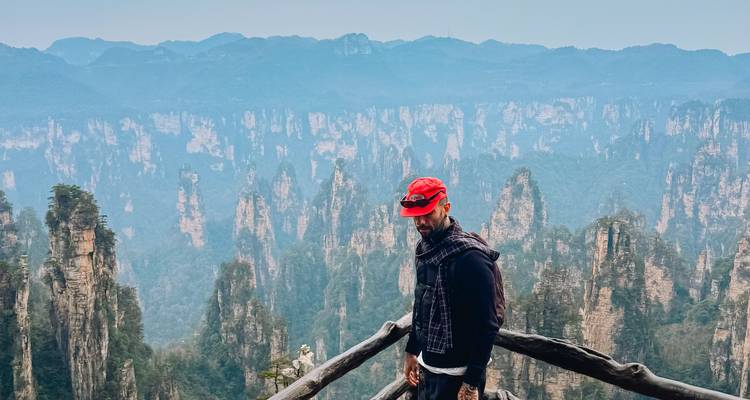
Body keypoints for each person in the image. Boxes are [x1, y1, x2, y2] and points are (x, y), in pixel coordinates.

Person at [400, 177, 504, 400]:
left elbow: (488, 324)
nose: (420, 222)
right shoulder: (425, 249)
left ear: (446, 208)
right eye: (416, 216)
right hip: (429, 368)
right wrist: (411, 352)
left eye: (428, 213)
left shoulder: (471, 259)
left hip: (458, 376)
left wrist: (471, 384)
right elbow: (421, 304)